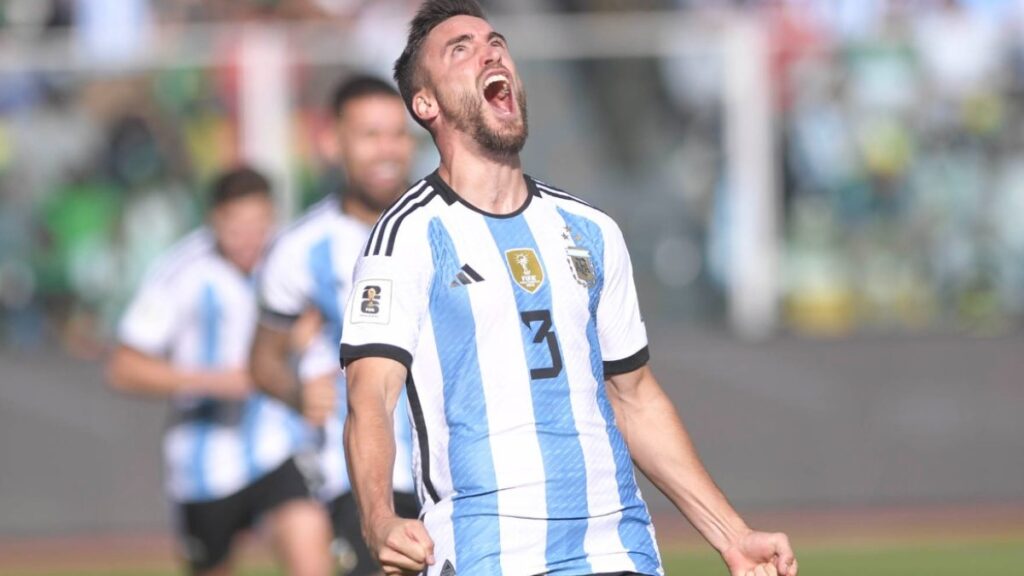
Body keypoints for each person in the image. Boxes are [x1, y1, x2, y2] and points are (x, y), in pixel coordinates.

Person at [339, 2, 800, 576]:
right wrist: (379, 518)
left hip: (614, 544)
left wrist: (733, 535)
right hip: (487, 549)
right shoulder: (407, 236)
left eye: (496, 42)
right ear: (425, 103)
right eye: (461, 49)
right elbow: (370, 399)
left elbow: (635, 398)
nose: (490, 52)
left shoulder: (591, 230)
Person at [107, 166, 333, 576]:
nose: (249, 239)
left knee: (311, 556)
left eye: (259, 224)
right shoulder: (181, 271)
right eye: (236, 227)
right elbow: (124, 367)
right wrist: (217, 381)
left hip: (278, 446)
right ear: (214, 220)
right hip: (203, 465)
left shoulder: (289, 261)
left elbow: (316, 330)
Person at [250, 75, 420, 576]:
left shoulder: (443, 226)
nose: (387, 149)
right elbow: (262, 360)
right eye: (370, 135)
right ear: (332, 143)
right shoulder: (301, 248)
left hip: (463, 470)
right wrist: (298, 394)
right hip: (367, 482)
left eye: (396, 133)